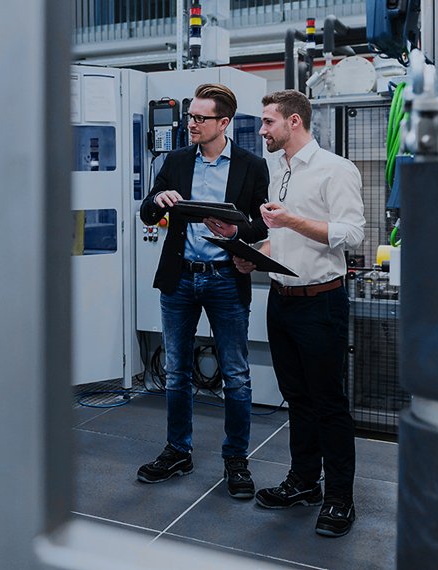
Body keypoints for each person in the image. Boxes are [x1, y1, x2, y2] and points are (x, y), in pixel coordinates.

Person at [233, 89, 365, 537]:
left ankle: (340, 499)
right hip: (282, 299)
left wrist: (290, 221)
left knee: (329, 403)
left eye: (268, 122)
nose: (262, 130)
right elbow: (281, 241)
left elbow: (351, 234)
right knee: (298, 398)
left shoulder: (335, 169)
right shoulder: (276, 170)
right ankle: (304, 483)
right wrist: (255, 253)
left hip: (321, 301)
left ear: (294, 122)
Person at [137, 83, 269, 500]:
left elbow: (264, 224)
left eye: (199, 118)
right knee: (175, 372)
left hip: (226, 278)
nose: (190, 123)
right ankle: (178, 450)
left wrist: (236, 229)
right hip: (180, 278)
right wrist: (159, 198)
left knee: (236, 374)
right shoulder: (175, 161)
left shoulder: (250, 165)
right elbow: (146, 211)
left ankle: (236, 460)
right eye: (190, 117)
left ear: (223, 123)